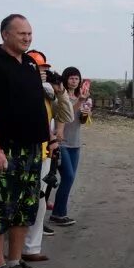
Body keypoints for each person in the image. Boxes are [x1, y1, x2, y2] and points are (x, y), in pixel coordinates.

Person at [0, 14, 53, 268]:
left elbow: (36, 106)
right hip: (5, 148)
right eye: (21, 34)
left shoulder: (28, 64)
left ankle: (15, 262)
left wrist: (48, 137)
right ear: (5, 34)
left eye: (29, 33)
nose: (27, 38)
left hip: (31, 149)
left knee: (24, 206)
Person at [21, 50, 73, 262]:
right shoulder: (22, 89)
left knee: (40, 201)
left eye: (45, 70)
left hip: (43, 153)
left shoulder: (49, 94)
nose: (43, 74)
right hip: (20, 151)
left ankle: (31, 248)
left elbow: (67, 116)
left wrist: (60, 93)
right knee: (12, 201)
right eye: (39, 70)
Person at [49, 66, 89, 227]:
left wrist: (86, 114)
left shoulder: (82, 98)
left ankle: (59, 212)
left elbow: (80, 121)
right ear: (65, 79)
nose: (74, 81)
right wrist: (79, 102)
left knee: (68, 179)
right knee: (68, 177)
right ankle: (58, 213)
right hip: (61, 143)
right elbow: (67, 116)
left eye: (77, 78)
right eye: (71, 78)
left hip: (75, 143)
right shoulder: (60, 97)